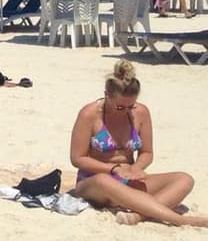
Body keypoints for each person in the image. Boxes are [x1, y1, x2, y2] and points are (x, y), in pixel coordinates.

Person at [69, 61, 208, 227]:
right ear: (107, 95)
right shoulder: (89, 114)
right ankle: (180, 220)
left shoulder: (141, 112)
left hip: (129, 178)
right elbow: (77, 158)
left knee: (184, 179)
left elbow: (147, 152)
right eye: (120, 106)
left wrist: (136, 168)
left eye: (131, 106)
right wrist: (113, 169)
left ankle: (138, 216)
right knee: (103, 181)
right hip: (94, 181)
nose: (127, 111)